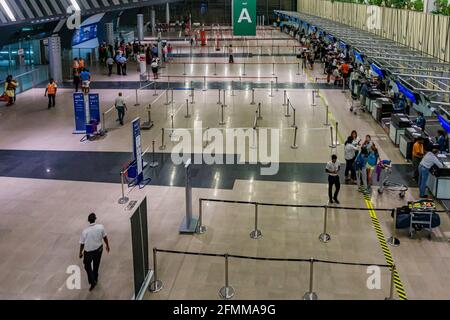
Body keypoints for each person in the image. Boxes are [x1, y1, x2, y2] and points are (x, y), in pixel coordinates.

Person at [79, 213, 110, 291]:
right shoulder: (101, 227)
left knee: (87, 266)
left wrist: (80, 252)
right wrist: (107, 245)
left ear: (88, 221)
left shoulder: (85, 231)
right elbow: (105, 237)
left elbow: (82, 243)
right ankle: (95, 278)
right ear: (95, 219)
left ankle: (92, 281)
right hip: (99, 250)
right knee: (96, 265)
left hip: (88, 252)